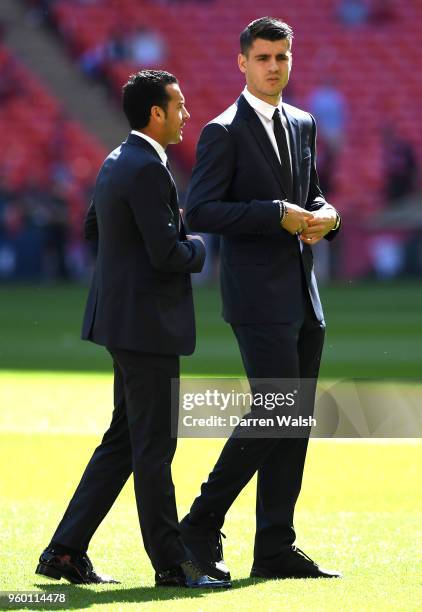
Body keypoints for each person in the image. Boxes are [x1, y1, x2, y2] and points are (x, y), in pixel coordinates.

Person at [35, 70, 230, 589]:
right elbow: (168, 252)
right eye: (180, 106)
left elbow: (94, 230)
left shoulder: (116, 159)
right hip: (147, 328)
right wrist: (197, 244)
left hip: (120, 321)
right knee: (154, 445)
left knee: (124, 440)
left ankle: (64, 551)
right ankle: (173, 564)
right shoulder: (148, 169)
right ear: (156, 114)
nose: (187, 115)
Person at [181, 17, 342, 580]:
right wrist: (274, 214)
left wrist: (328, 215)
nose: (274, 66)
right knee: (275, 414)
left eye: (282, 57)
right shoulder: (222, 130)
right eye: (264, 57)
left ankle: (274, 547)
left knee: (293, 421)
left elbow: (312, 192)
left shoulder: (303, 122)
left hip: (304, 296)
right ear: (242, 64)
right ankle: (200, 523)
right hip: (254, 298)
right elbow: (199, 211)